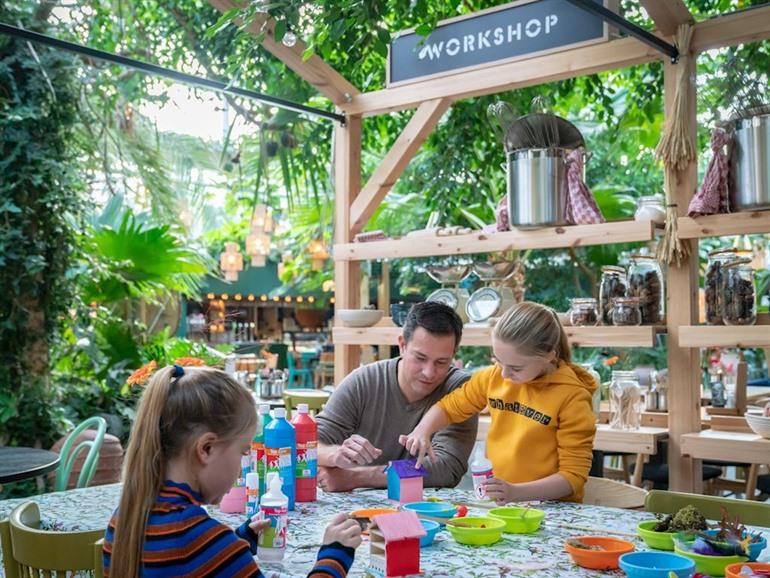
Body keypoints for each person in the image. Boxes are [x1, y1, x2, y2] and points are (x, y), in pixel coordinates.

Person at [104, 364, 361, 577]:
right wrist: (334, 555)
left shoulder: (127, 517)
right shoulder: (201, 541)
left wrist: (241, 538)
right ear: (206, 449)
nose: (241, 468)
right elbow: (198, 553)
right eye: (242, 451)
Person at [401, 301, 597, 503]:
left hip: (553, 510)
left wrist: (515, 492)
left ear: (549, 356)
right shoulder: (494, 377)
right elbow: (449, 407)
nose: (504, 373)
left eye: (516, 368)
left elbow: (573, 477)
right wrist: (423, 429)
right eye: (498, 361)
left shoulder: (572, 397)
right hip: (503, 504)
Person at [316, 301, 478, 492]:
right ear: (402, 345)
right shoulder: (363, 381)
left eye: (442, 362)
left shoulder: (462, 390)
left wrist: (356, 476)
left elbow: (446, 467)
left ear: (453, 356)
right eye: (420, 358)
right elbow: (306, 443)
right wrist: (334, 454)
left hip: (426, 512)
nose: (429, 372)